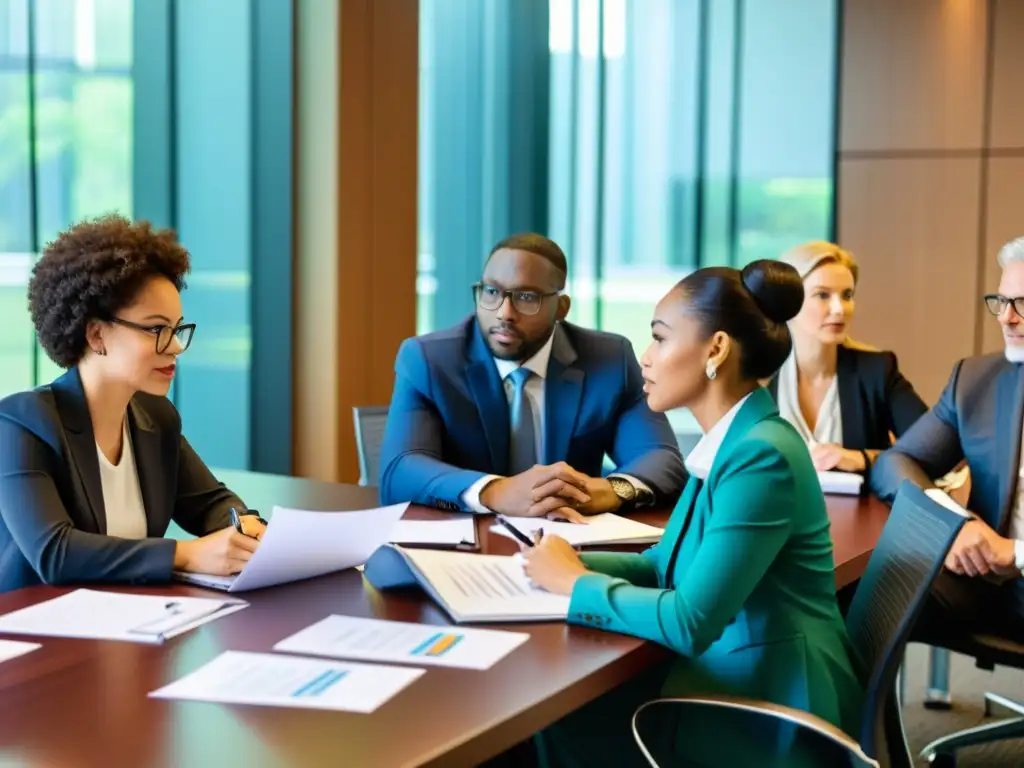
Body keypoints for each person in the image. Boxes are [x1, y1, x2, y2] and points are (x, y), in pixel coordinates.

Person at [521, 260, 863, 766]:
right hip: (741, 669)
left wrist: (573, 585)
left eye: (660, 339)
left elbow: (690, 621)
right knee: (551, 720)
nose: (645, 358)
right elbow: (666, 564)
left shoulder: (759, 455)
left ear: (717, 349)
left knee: (547, 721)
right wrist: (561, 561)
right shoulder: (736, 438)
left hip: (773, 707)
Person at [0, 215, 265, 593]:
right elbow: (55, 553)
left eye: (176, 329)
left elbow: (210, 502)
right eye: (157, 329)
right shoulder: (21, 424)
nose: (174, 346)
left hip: (125, 628)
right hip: (37, 638)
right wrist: (185, 555)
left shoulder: (156, 418)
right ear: (96, 334)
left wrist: (243, 526)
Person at [378, 233, 685, 519]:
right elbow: (400, 470)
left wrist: (608, 490)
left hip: (570, 544)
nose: (504, 313)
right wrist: (496, 491)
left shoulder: (608, 359)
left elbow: (662, 459)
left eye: (526, 297)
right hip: (464, 545)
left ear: (561, 307)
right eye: (492, 292)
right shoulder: (429, 359)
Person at [871, 236, 1024, 637]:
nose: (1007, 318)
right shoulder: (977, 380)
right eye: (1002, 302)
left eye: (1022, 304)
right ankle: (857, 702)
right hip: (987, 582)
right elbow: (896, 462)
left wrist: (1016, 552)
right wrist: (955, 522)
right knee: (872, 587)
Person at [768, 241, 927, 476]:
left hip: (859, 512)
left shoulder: (877, 371)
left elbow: (935, 450)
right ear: (787, 303)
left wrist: (862, 459)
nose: (840, 309)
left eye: (847, 295)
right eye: (822, 295)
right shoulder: (758, 375)